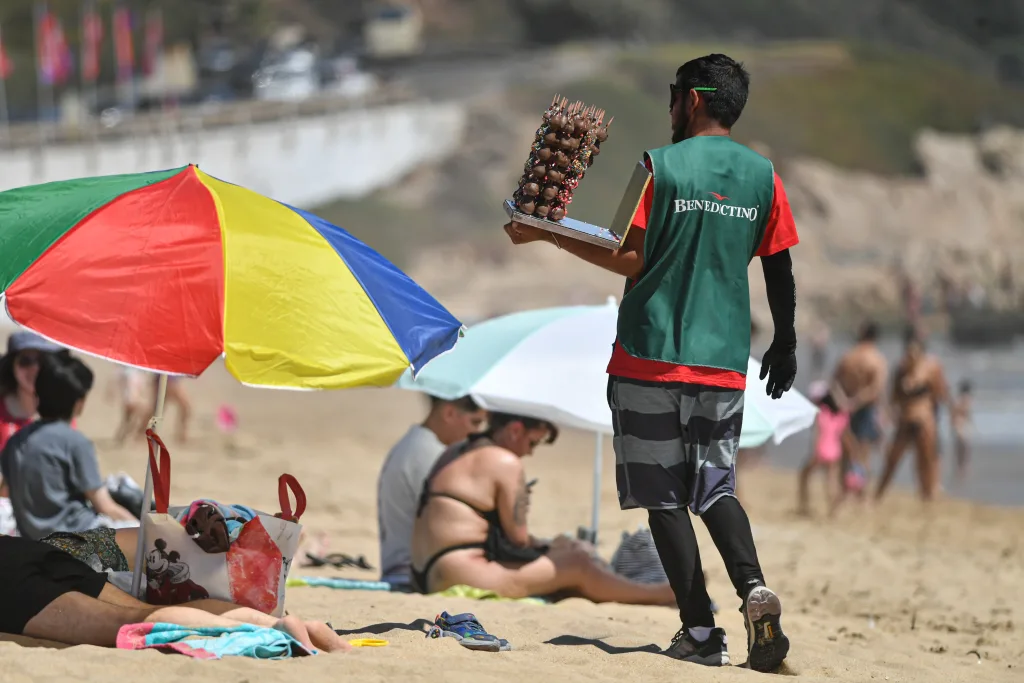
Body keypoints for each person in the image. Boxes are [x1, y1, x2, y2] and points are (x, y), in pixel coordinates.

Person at [504, 54, 798, 671]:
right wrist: (786, 341)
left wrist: (548, 232)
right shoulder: (764, 177)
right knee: (715, 488)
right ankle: (753, 590)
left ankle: (699, 630)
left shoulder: (658, 167)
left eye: (671, 96)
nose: (669, 107)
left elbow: (628, 258)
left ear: (691, 100)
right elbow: (778, 263)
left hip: (647, 357)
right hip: (721, 363)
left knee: (664, 497)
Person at [410, 412, 676, 606]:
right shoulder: (504, 461)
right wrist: (555, 543)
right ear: (515, 430)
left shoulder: (458, 449)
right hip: (463, 573)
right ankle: (663, 594)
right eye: (532, 442)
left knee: (567, 568)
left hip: (426, 571)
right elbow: (519, 540)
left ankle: (642, 591)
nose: (530, 453)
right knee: (579, 562)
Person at [0, 534, 348, 652]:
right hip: (22, 550)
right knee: (139, 609)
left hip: (9, 580)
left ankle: (275, 631)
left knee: (129, 623)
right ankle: (273, 622)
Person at [1, 353, 137, 540]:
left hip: (32, 539)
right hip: (78, 536)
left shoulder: (15, 442)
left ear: (38, 395)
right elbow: (105, 506)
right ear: (79, 403)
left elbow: (6, 492)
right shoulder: (75, 442)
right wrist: (140, 528)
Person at [377, 395, 487, 587]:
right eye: (475, 422)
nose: (475, 432)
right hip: (410, 573)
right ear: (449, 413)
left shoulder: (416, 443)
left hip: (399, 565)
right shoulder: (430, 455)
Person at [875, 330, 949, 502]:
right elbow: (893, 396)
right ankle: (878, 495)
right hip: (906, 420)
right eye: (909, 350)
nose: (911, 353)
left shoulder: (931, 367)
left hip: (924, 420)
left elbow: (941, 393)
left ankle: (927, 497)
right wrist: (888, 415)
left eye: (914, 349)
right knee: (892, 459)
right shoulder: (901, 368)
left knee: (925, 461)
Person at [833, 321, 888, 483]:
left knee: (846, 453)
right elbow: (877, 389)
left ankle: (844, 490)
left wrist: (844, 401)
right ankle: (861, 495)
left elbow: (834, 382)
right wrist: (858, 402)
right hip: (867, 409)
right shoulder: (877, 359)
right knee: (864, 454)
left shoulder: (848, 356)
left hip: (845, 408)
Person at [797, 382, 849, 517]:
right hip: (835, 451)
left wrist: (815, 451)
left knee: (804, 475)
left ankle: (804, 505)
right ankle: (834, 510)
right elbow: (844, 435)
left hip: (821, 450)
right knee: (830, 481)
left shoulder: (821, 413)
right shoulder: (841, 415)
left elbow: (817, 434)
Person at [951, 380, 973, 484]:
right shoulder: (964, 399)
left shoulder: (961, 399)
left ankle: (961, 468)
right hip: (961, 425)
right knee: (964, 449)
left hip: (961, 425)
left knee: (961, 449)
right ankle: (962, 468)